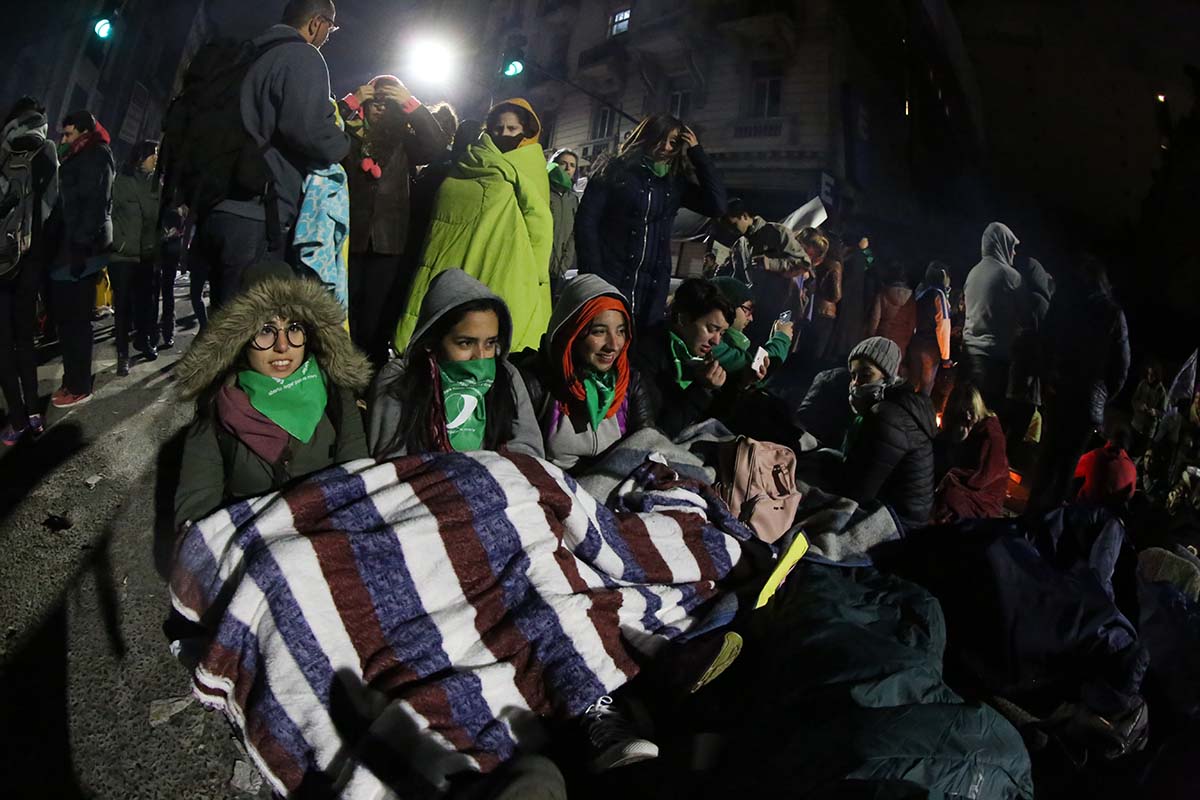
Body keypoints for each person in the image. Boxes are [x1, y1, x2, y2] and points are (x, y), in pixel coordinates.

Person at [173, 262, 373, 527]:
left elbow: (357, 482)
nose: (282, 345)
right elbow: (196, 518)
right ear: (242, 339)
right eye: (266, 330)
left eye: (293, 329)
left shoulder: (336, 396)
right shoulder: (217, 411)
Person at [190, 0, 351, 307]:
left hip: (217, 207)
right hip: (258, 214)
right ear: (317, 23)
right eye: (330, 27)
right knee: (248, 329)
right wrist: (344, 144)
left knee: (222, 325)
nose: (329, 35)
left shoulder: (250, 54)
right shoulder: (302, 56)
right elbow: (310, 130)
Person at [394, 98, 552, 354]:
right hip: (454, 257)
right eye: (498, 128)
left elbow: (540, 223)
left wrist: (537, 275)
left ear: (527, 132)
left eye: (512, 129)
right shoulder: (469, 160)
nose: (503, 135)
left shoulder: (531, 167)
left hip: (505, 262)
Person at [368, 269, 543, 460]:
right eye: (466, 343)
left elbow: (528, 452)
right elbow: (392, 461)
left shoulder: (506, 376)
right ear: (431, 342)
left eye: (490, 343)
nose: (480, 356)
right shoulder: (400, 379)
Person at [575, 113, 727, 328]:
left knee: (641, 354)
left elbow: (717, 205)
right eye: (659, 139)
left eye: (673, 142)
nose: (665, 147)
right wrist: (594, 276)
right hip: (610, 281)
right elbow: (586, 224)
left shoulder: (674, 183)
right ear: (645, 137)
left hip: (652, 292)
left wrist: (697, 153)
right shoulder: (613, 171)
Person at [337, 74, 447, 366]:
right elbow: (322, 129)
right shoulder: (347, 135)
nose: (380, 108)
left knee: (378, 314)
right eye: (375, 101)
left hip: (389, 240)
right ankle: (345, 372)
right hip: (351, 237)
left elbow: (436, 146)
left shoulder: (403, 141)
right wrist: (350, 102)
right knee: (346, 311)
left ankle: (372, 376)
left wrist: (411, 103)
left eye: (387, 103)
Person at [513, 274, 655, 471]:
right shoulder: (536, 384)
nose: (613, 345)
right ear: (571, 333)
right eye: (599, 331)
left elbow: (647, 443)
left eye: (621, 331)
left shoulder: (629, 383)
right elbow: (521, 459)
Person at [1028, 254, 1130, 513]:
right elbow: (1121, 367)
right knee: (1068, 463)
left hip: (1059, 390)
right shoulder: (1113, 314)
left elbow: (1043, 341)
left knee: (1048, 454)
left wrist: (1047, 377)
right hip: (1086, 400)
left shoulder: (1065, 303)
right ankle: (1048, 523)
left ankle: (1030, 514)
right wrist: (1103, 395)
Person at [632, 278, 766, 439]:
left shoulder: (700, 358)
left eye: (722, 333)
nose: (716, 341)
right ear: (683, 319)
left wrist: (742, 383)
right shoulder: (648, 356)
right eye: (711, 329)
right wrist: (701, 390)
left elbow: (715, 417)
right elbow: (656, 432)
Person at [46, 110, 114, 408]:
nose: (64, 138)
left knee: (75, 323)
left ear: (84, 132)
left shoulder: (95, 155)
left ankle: (79, 385)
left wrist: (79, 246)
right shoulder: (80, 153)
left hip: (80, 252)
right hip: (71, 249)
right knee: (68, 321)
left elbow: (94, 206)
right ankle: (74, 379)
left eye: (69, 133)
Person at [0, 97, 58, 445]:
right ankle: (35, 414)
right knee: (25, 338)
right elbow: (53, 206)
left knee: (2, 343)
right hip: (31, 258)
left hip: (1, 258)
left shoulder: (3, 150)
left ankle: (17, 418)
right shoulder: (46, 149)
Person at [839, 336, 937, 529]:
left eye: (866, 375)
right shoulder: (899, 404)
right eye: (853, 375)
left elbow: (858, 492)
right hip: (902, 514)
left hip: (899, 523)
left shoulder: (886, 414)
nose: (856, 384)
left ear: (888, 376)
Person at [109, 140, 162, 376]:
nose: (156, 159)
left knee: (145, 304)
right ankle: (122, 353)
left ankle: (143, 340)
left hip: (147, 253)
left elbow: (158, 215)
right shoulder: (122, 180)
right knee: (122, 308)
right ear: (141, 156)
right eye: (154, 154)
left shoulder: (157, 184)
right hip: (122, 253)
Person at [962, 222, 1027, 415]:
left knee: (965, 412)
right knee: (986, 417)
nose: (1014, 253)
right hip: (993, 359)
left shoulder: (973, 272)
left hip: (968, 354)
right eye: (1012, 247)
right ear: (1002, 244)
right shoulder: (1010, 276)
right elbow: (1025, 315)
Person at [932, 382, 1009, 523]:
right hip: (969, 488)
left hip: (984, 500)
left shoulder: (991, 436)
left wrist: (951, 477)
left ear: (969, 415)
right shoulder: (974, 429)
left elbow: (982, 478)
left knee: (949, 498)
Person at [1004, 255, 1054, 450]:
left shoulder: (1019, 297)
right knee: (1016, 430)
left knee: (1003, 424)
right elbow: (1043, 346)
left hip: (1011, 371)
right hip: (1027, 381)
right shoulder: (1043, 305)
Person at [709, 277, 793, 375]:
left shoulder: (726, 340)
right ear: (730, 306)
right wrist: (781, 338)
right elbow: (751, 366)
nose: (751, 318)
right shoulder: (712, 344)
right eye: (747, 309)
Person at [714, 198, 805, 287]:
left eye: (733, 225)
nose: (731, 230)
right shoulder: (739, 245)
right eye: (728, 227)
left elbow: (803, 263)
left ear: (745, 216)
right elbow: (736, 275)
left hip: (779, 299)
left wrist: (771, 264)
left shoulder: (777, 232)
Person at [907, 263, 952, 398]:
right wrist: (946, 357)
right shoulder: (938, 295)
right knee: (925, 390)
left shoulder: (919, 294)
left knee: (911, 386)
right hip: (930, 347)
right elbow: (943, 327)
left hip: (915, 343)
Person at [799, 228, 839, 369]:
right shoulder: (833, 266)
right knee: (814, 352)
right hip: (823, 313)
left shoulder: (814, 264)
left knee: (801, 347)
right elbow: (835, 295)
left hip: (807, 310)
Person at [1072, 427, 1137, 509]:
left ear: (1110, 440)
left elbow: (1073, 469)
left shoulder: (1098, 455)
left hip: (1086, 510)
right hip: (1110, 515)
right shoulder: (1132, 468)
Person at [867, 260, 916, 362]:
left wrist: (870, 336)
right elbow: (912, 323)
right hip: (901, 339)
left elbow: (875, 318)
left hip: (883, 336)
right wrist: (908, 340)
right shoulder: (911, 299)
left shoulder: (883, 294)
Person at [547, 147, 580, 299]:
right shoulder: (544, 191)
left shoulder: (573, 198)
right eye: (563, 163)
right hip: (539, 265)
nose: (568, 169)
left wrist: (565, 261)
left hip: (559, 267)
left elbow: (574, 232)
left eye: (572, 165)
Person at [1130, 361, 1167, 459]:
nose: (1150, 377)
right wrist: (1139, 406)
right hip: (1135, 425)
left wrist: (1155, 412)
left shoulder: (1162, 392)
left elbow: (1163, 413)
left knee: (1138, 457)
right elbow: (1134, 400)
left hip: (1147, 431)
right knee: (1127, 452)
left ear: (1157, 376)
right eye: (1149, 374)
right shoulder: (1143, 384)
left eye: (1153, 375)